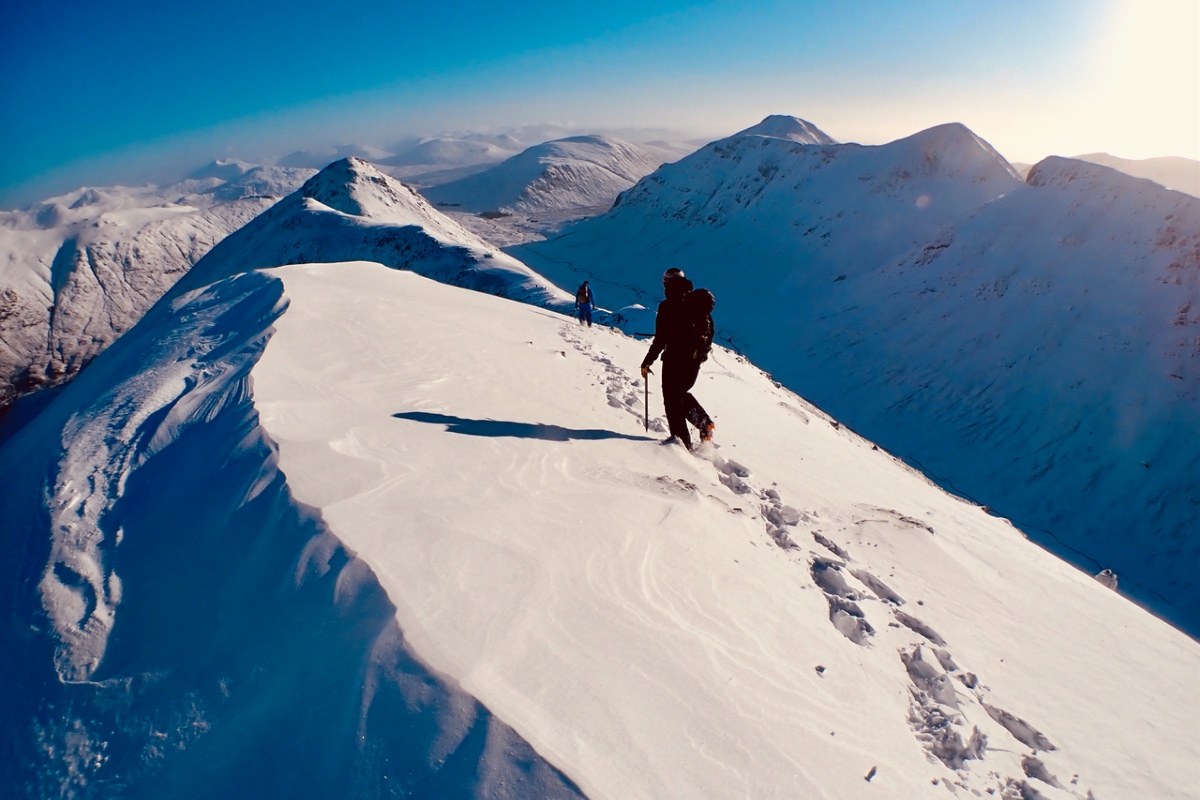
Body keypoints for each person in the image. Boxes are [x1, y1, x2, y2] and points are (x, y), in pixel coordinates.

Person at [640, 267, 715, 450]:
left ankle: (680, 444)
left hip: (674, 359)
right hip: (694, 361)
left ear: (666, 283)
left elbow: (661, 338)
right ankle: (703, 423)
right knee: (680, 394)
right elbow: (710, 330)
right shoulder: (697, 303)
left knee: (672, 400)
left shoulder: (668, 306)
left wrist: (648, 361)